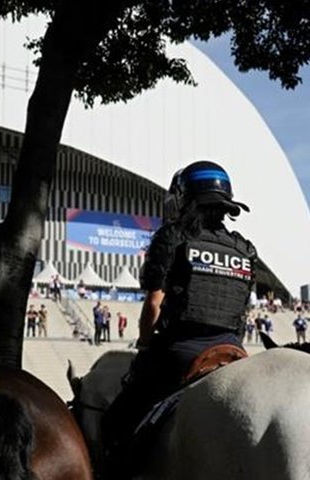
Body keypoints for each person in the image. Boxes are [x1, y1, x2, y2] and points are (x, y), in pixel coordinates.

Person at [102, 161, 256, 476]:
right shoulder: (245, 249)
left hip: (180, 353)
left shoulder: (173, 237)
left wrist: (145, 345)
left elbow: (154, 304)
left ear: (186, 198)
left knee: (116, 422)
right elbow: (243, 310)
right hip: (234, 352)